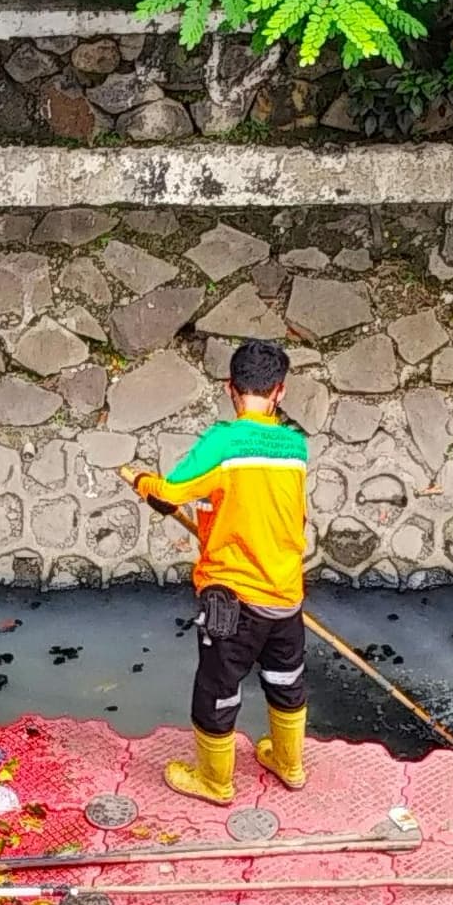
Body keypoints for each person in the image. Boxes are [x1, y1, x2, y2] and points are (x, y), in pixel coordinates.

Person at [126, 341, 313, 801]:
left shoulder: (222, 443)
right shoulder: (295, 447)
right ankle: (289, 765)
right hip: (286, 592)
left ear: (230, 388)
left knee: (217, 687)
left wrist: (140, 481)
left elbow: (170, 495)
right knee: (285, 679)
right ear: (280, 392)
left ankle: (215, 781)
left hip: (234, 599)